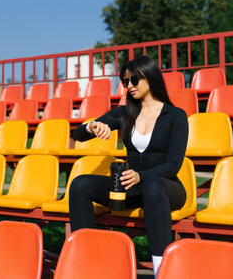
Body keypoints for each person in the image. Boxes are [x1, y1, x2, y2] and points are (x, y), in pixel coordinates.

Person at [69, 55, 188, 277]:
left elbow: (173, 165)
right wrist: (92, 126)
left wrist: (141, 176)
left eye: (135, 80)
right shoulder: (124, 114)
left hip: (166, 188)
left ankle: (161, 270)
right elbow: (77, 135)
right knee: (80, 184)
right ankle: (84, 261)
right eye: (125, 82)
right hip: (132, 187)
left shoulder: (175, 116)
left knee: (152, 185)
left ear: (150, 77)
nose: (129, 86)